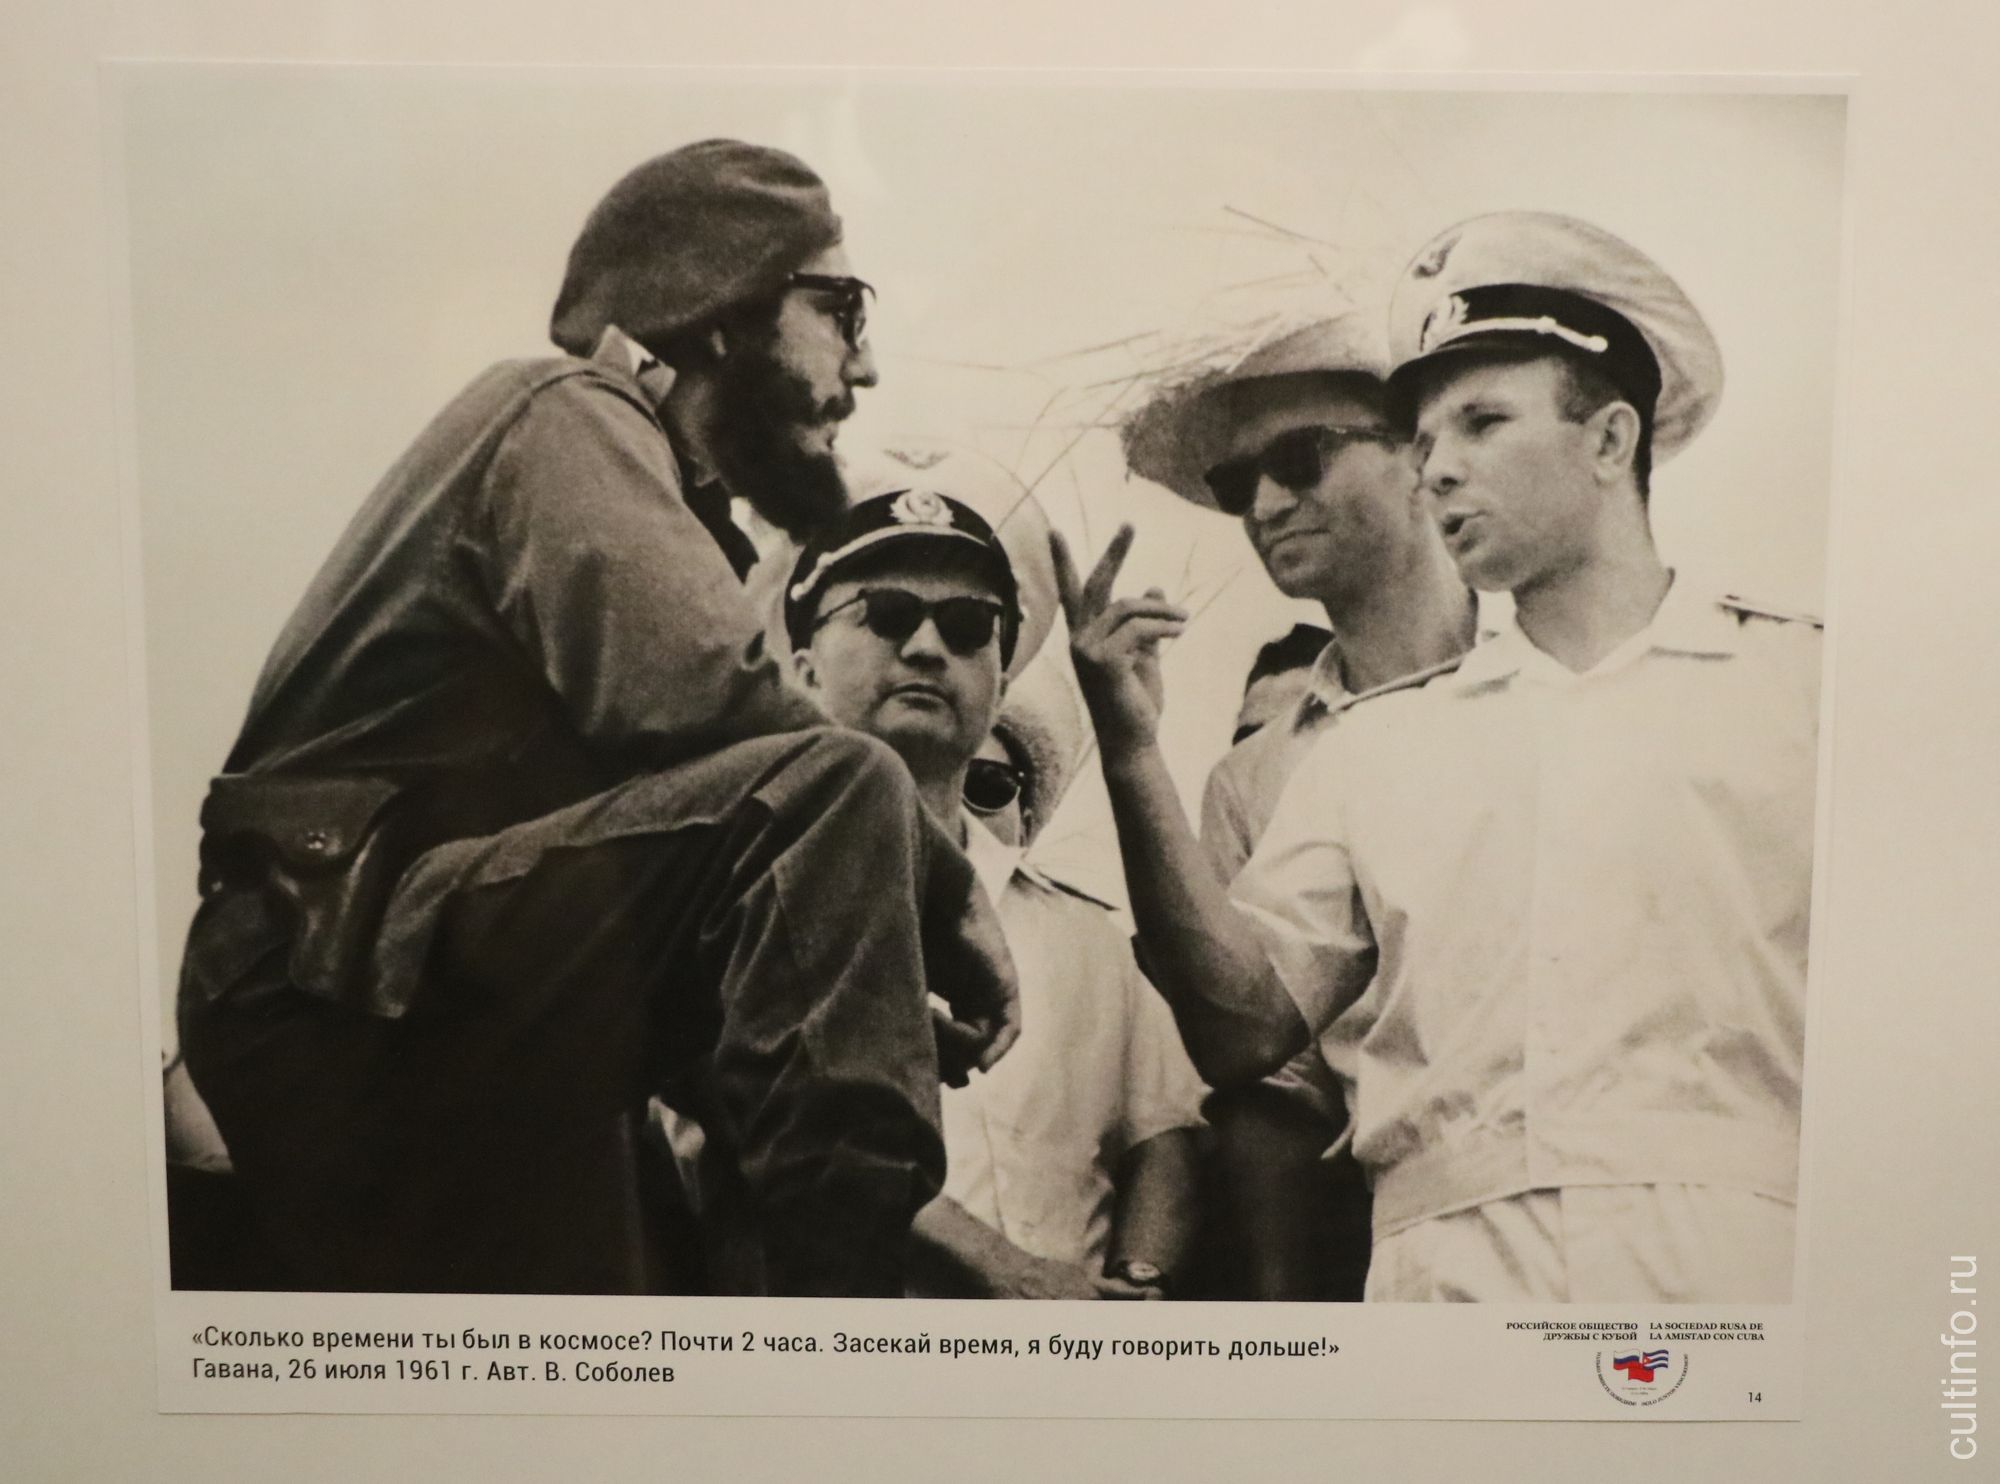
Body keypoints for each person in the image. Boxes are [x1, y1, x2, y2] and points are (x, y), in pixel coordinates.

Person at [175, 140, 1018, 1298]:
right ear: (718, 312)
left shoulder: (655, 501)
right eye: (840, 309)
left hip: (409, 994)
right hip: (332, 973)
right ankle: (847, 1346)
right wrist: (949, 892)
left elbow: (669, 848)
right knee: (843, 783)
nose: (860, 367)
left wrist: (852, 989)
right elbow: (711, 705)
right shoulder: (563, 411)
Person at [1066, 209, 1816, 1303]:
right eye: (1424, 443)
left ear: (1611, 442)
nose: (1440, 471)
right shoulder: (1375, 746)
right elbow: (1243, 1034)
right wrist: (1131, 752)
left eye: (1482, 424)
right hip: (1444, 1278)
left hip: (1731, 1265)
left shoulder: (1805, 688)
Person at [1118, 315, 1477, 1300]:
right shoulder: (1253, 778)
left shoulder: (1558, 680)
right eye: (1239, 482)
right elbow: (1268, 1082)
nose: (1267, 505)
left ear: (1420, 455)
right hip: (1393, 1228)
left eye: (1301, 458)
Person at [785, 489, 1204, 1300]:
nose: (927, 646)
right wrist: (1014, 1278)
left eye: (968, 625)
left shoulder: (1088, 939)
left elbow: (1164, 1137)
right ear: (804, 673)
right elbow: (779, 1130)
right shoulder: (741, 902)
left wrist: (1136, 1283)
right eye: (887, 613)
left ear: (1001, 681)